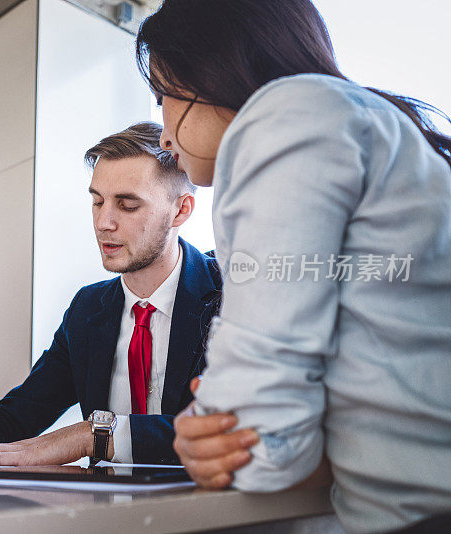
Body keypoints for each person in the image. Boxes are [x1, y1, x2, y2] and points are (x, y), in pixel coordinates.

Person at [135, 1, 451, 532]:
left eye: (164, 95)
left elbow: (263, 450)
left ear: (212, 68)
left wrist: (210, 433)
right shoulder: (362, 124)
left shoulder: (286, 118)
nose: (164, 135)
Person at [0, 122, 227, 469]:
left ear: (181, 210)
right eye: (97, 202)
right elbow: (18, 416)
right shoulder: (88, 310)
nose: (103, 222)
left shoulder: (230, 294)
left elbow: (233, 423)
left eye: (127, 205)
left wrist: (93, 435)